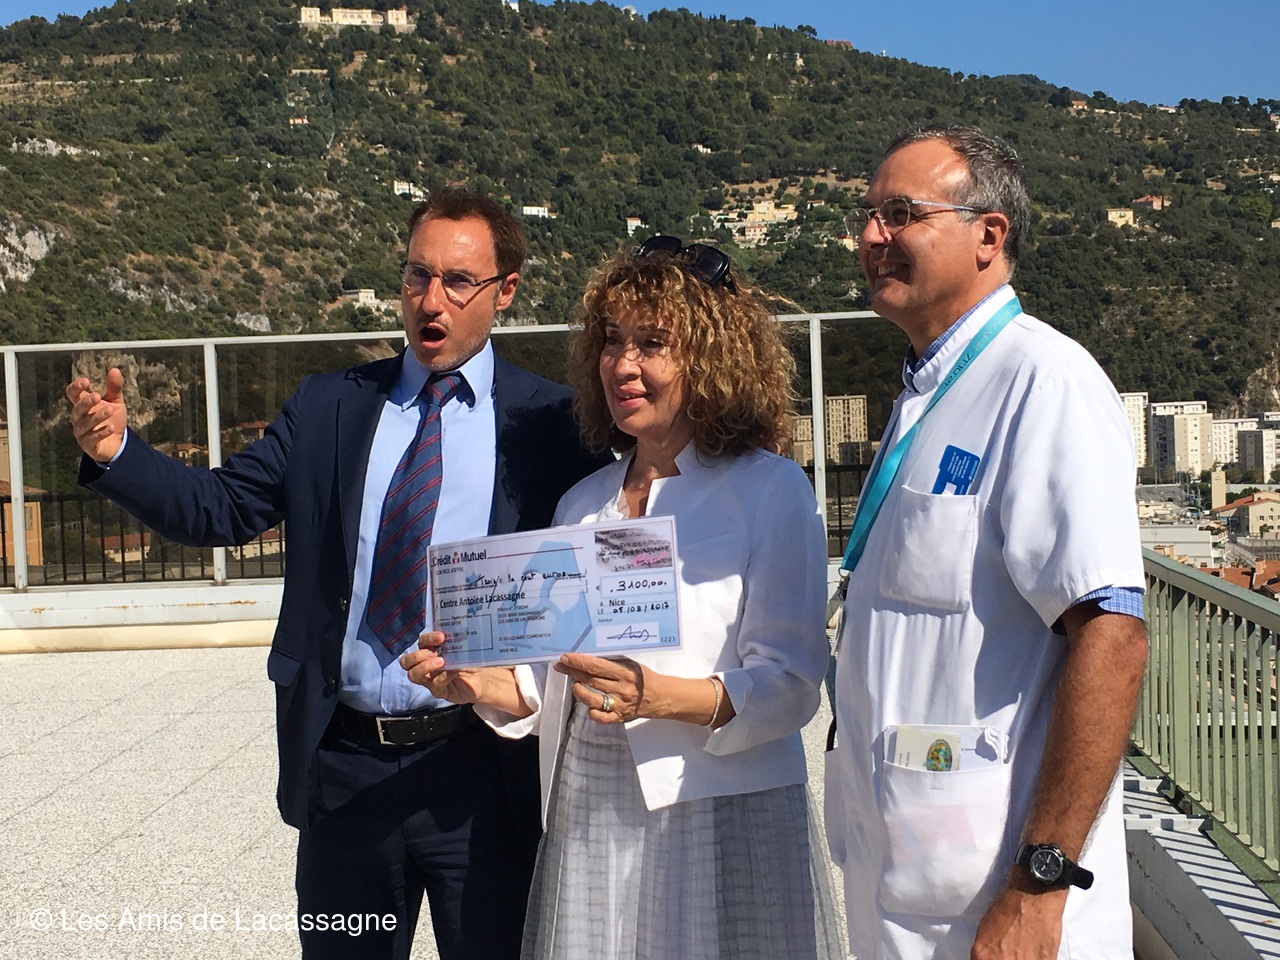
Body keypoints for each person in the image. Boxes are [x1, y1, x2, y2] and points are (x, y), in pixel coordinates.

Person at [64, 187, 609, 960]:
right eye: (417, 275)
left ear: (506, 291)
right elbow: (220, 508)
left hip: (486, 773)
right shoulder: (329, 408)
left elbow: (597, 565)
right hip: (345, 770)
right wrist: (117, 453)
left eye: (458, 281)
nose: (431, 300)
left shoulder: (552, 425)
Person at [403, 236, 844, 960]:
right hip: (592, 809)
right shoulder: (582, 503)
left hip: (717, 809)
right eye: (612, 340)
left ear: (710, 358)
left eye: (652, 343)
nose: (623, 364)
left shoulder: (770, 491)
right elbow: (550, 680)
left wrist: (661, 697)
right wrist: (476, 684)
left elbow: (793, 684)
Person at [824, 124, 1149, 960]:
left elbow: (1112, 637)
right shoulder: (929, 393)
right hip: (911, 879)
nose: (872, 236)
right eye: (868, 216)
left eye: (902, 213)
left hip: (1001, 904)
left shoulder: (1044, 382)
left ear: (988, 236)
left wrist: (1041, 884)